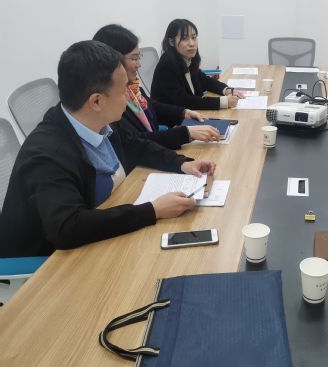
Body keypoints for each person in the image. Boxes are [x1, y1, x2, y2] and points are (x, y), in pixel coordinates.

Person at [0, 40, 216, 257]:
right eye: (123, 91)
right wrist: (153, 210)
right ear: (96, 101)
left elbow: (138, 146)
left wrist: (182, 163)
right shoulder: (47, 154)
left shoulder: (100, 120)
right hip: (47, 261)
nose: (129, 96)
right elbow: (68, 227)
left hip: (98, 227)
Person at [92, 24, 221, 149]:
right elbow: (134, 143)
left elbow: (152, 105)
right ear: (114, 61)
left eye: (194, 37)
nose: (139, 64)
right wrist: (185, 133)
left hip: (156, 147)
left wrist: (183, 113)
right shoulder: (110, 102)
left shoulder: (133, 88)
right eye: (134, 58)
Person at [151, 19, 244, 109]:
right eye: (184, 38)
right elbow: (184, 101)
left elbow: (204, 80)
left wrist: (227, 90)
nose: (192, 43)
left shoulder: (187, 58)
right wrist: (223, 102)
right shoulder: (167, 65)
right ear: (171, 42)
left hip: (192, 113)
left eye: (194, 37)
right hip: (174, 118)